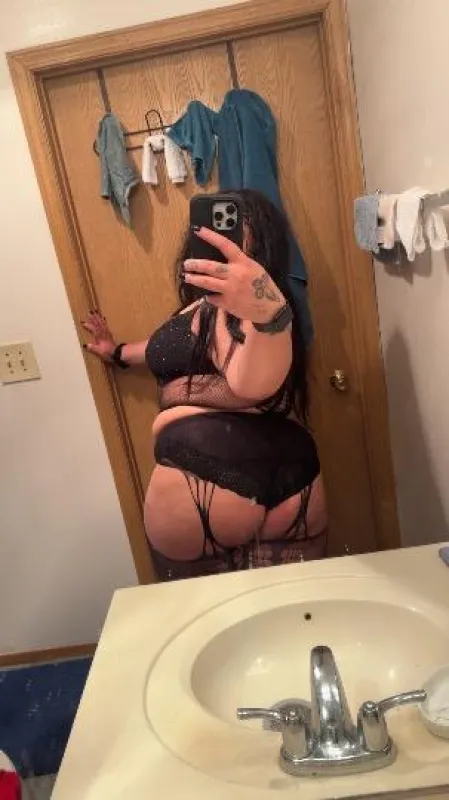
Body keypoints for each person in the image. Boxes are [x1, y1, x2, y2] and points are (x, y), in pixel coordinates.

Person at [82, 190, 327, 580]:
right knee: (294, 607)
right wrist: (117, 352)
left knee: (205, 612)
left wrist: (266, 313)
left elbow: (251, 383)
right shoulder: (210, 307)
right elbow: (163, 349)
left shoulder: (241, 307)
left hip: (203, 470)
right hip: (293, 469)